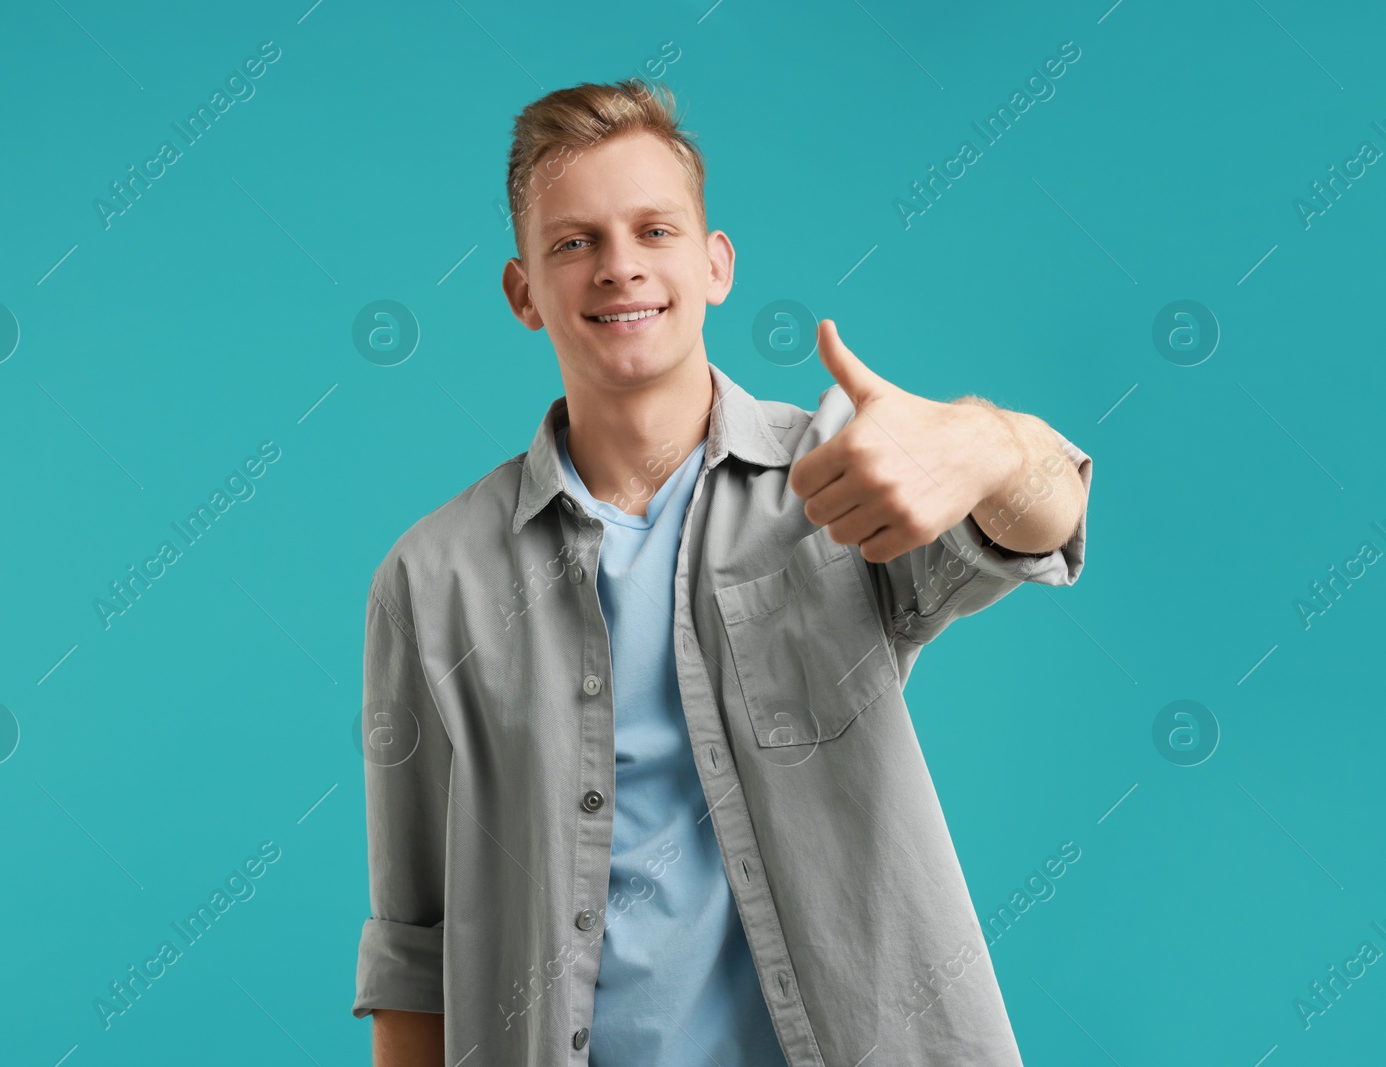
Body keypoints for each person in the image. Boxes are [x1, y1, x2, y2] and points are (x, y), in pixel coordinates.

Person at [353, 77, 1091, 1067]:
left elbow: (1044, 520)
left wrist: (988, 445)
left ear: (714, 265)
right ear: (523, 290)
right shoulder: (430, 578)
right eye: (574, 242)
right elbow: (415, 947)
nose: (619, 268)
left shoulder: (838, 476)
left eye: (653, 230)